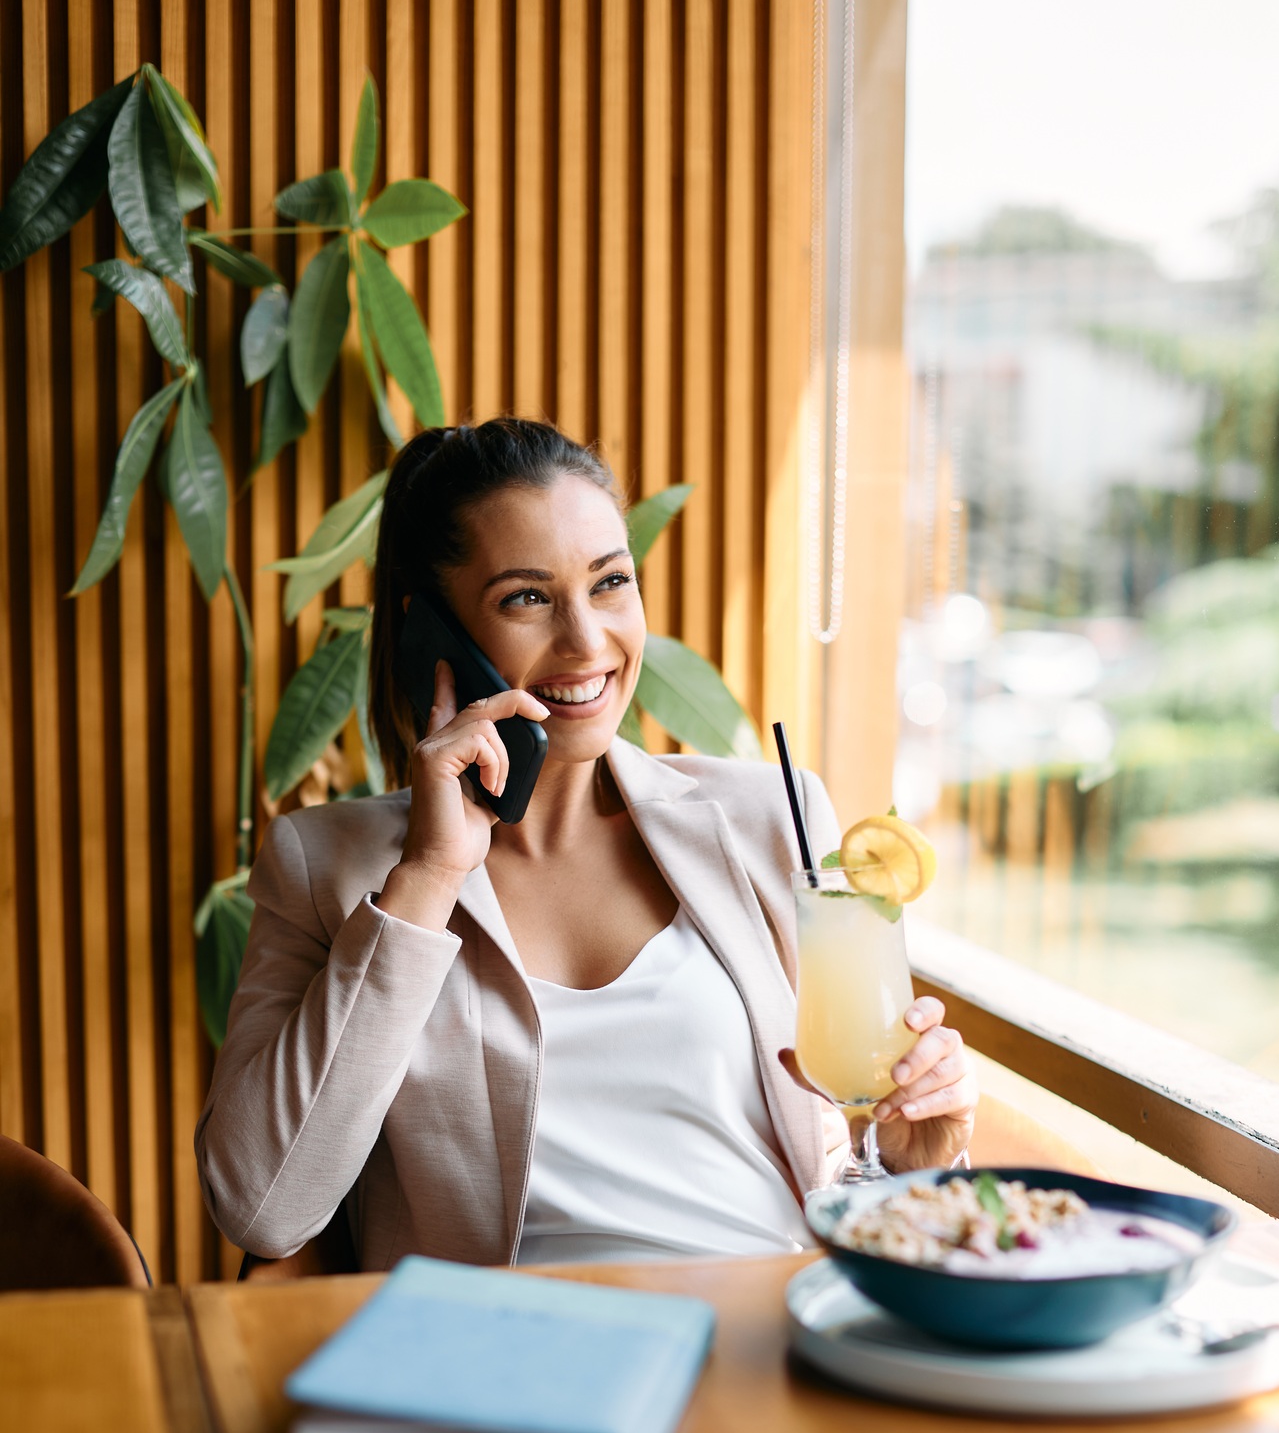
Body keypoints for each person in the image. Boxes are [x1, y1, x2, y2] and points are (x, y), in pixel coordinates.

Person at [196, 420, 977, 1270]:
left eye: (609, 583)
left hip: (763, 1330)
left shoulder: (770, 817)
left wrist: (913, 1164)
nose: (585, 640)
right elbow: (262, 1209)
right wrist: (428, 875)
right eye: (526, 598)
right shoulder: (327, 865)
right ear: (435, 636)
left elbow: (838, 1185)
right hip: (513, 1365)